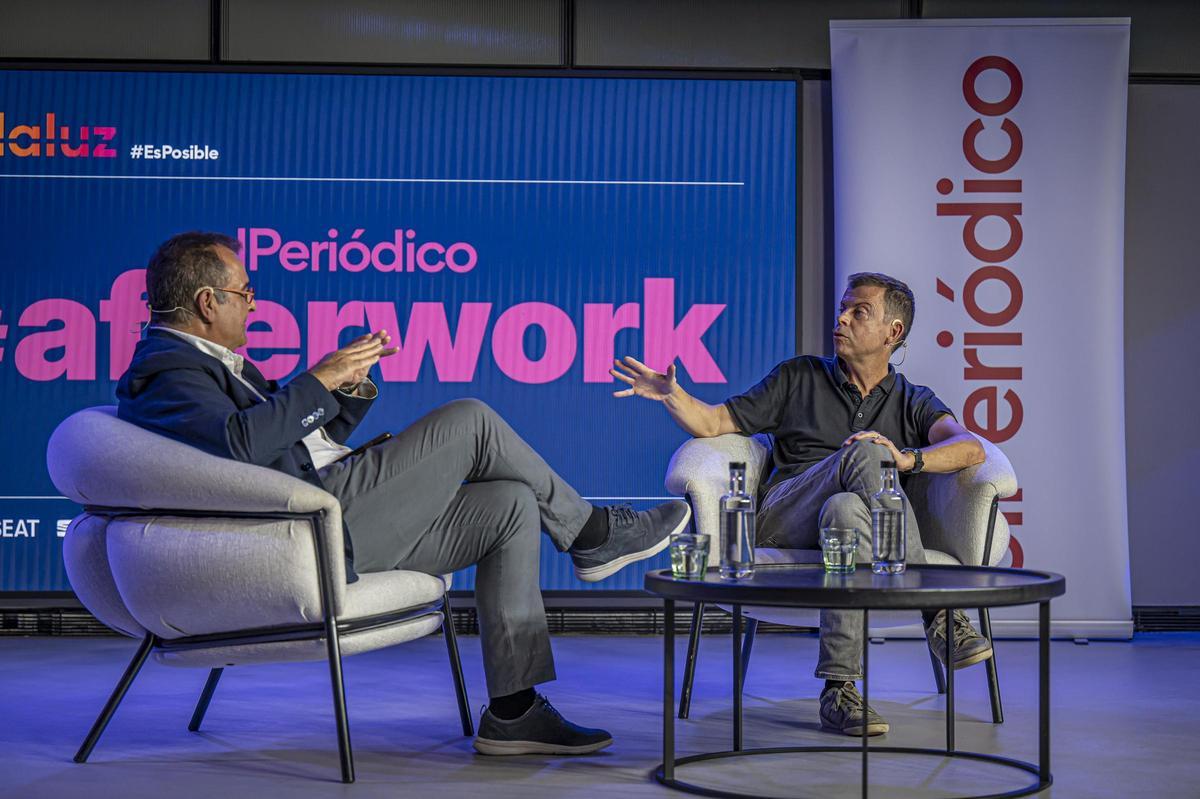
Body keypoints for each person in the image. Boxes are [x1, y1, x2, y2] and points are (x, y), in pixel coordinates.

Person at [116, 231, 690, 756]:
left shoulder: (206, 365)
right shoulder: (167, 371)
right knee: (470, 419)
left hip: (326, 511)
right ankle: (593, 535)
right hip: (307, 535)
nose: (254, 304)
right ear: (207, 303)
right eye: (246, 292)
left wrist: (347, 387)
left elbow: (285, 446)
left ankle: (514, 711)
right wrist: (316, 378)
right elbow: (242, 446)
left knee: (511, 504)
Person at [612, 272, 992, 737]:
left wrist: (908, 458)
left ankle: (838, 692)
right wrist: (675, 396)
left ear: (894, 333)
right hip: (784, 517)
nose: (842, 318)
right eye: (843, 308)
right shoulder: (799, 376)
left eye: (859, 312)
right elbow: (714, 422)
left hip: (851, 529)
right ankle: (941, 615)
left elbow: (971, 449)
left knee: (847, 511)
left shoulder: (914, 400)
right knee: (867, 452)